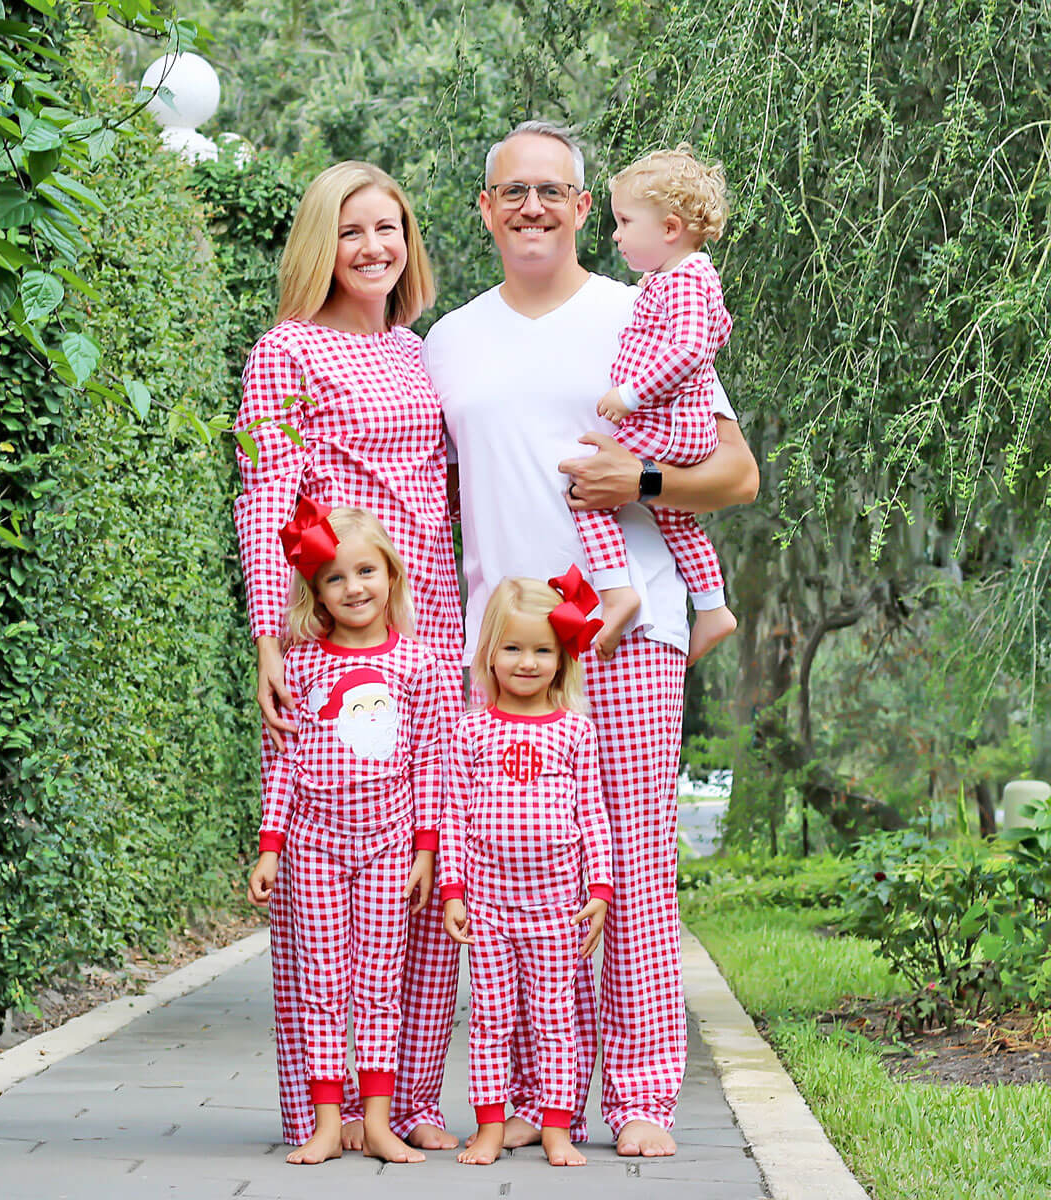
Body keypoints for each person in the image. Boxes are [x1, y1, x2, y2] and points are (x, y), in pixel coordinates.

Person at [423, 121, 758, 1157]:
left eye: (553, 190)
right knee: (524, 877)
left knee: (636, 871)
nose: (532, 206)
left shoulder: (645, 310)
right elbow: (433, 503)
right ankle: (531, 1097)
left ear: (582, 209)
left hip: (630, 627)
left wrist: (642, 483)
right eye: (510, 189)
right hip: (511, 653)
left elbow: (736, 475)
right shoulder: (448, 341)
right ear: (484, 208)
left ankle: (646, 1096)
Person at [234, 162, 463, 1150]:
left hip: (435, 630)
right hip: (342, 643)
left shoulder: (417, 353)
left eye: (391, 229)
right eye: (354, 230)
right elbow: (262, 496)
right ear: (320, 243)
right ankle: (318, 1112)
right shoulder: (286, 352)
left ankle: (403, 1106)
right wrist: (268, 637)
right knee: (331, 878)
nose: (375, 247)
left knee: (423, 863)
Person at [248, 505, 448, 1165]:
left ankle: (381, 1121)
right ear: (316, 592)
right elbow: (284, 765)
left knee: (380, 982)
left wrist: (425, 852)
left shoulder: (420, 665)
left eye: (366, 571)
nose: (354, 587)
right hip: (313, 847)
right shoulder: (301, 667)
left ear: (391, 573)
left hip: (390, 846)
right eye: (335, 578)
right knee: (321, 981)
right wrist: (270, 848)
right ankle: (329, 1124)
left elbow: (429, 764)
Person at [441, 571, 613, 1168]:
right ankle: (490, 1124)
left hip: (556, 909)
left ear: (562, 658)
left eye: (542, 650)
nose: (526, 662)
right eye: (512, 647)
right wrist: (454, 892)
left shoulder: (574, 732)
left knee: (554, 1022)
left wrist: (599, 888)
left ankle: (556, 1125)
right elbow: (455, 815)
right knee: (491, 1019)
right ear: (489, 653)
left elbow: (591, 812)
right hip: (488, 908)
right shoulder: (470, 731)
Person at [575, 145, 738, 666]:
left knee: (587, 481)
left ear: (669, 228)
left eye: (624, 222)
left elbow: (691, 349)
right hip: (675, 425)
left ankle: (617, 591)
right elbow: (719, 328)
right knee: (673, 517)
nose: (616, 235)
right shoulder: (677, 278)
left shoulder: (686, 278)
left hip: (669, 426)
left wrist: (629, 396)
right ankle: (713, 608)